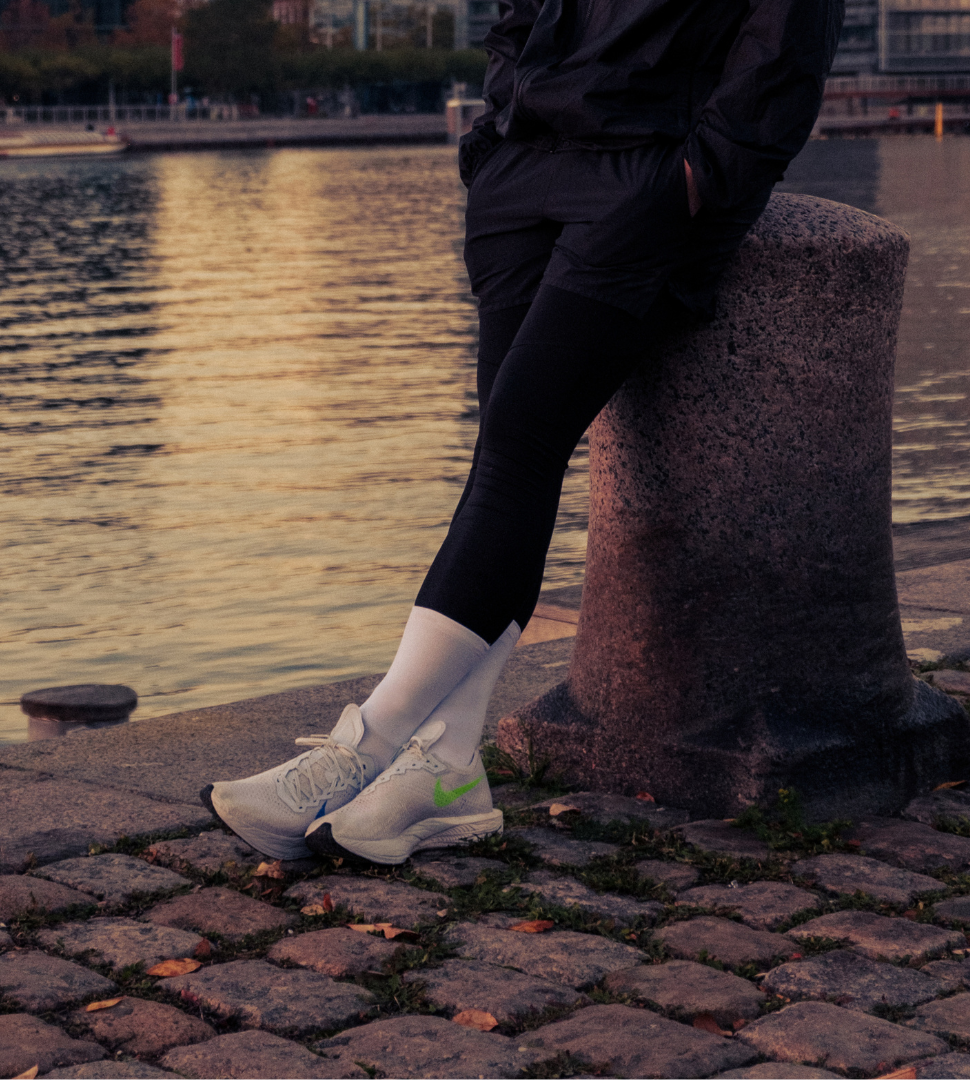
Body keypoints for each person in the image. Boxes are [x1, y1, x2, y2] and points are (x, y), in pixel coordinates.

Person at [201, 0, 844, 865]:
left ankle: (367, 744)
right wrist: (495, 139)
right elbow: (516, 16)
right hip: (523, 171)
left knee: (516, 448)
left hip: (645, 180)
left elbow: (785, 51)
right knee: (507, 464)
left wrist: (695, 180)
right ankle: (450, 767)